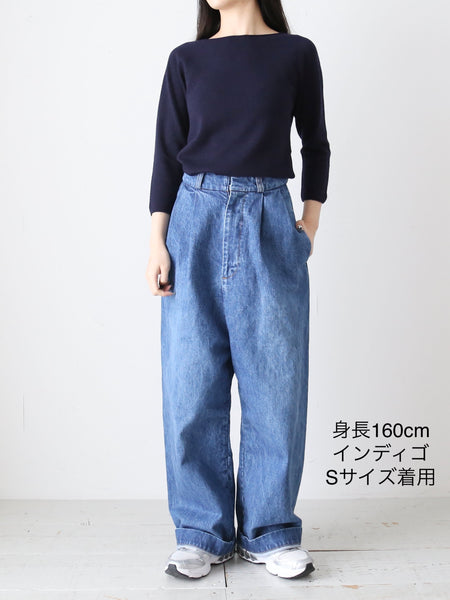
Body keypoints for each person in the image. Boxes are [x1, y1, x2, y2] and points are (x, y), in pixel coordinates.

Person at [145, 0, 331, 581]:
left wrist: (308, 225)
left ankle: (270, 531)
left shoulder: (295, 53)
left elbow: (316, 143)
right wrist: (157, 243)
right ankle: (200, 532)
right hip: (193, 221)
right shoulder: (187, 60)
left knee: (276, 382)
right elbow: (166, 155)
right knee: (190, 383)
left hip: (268, 218)